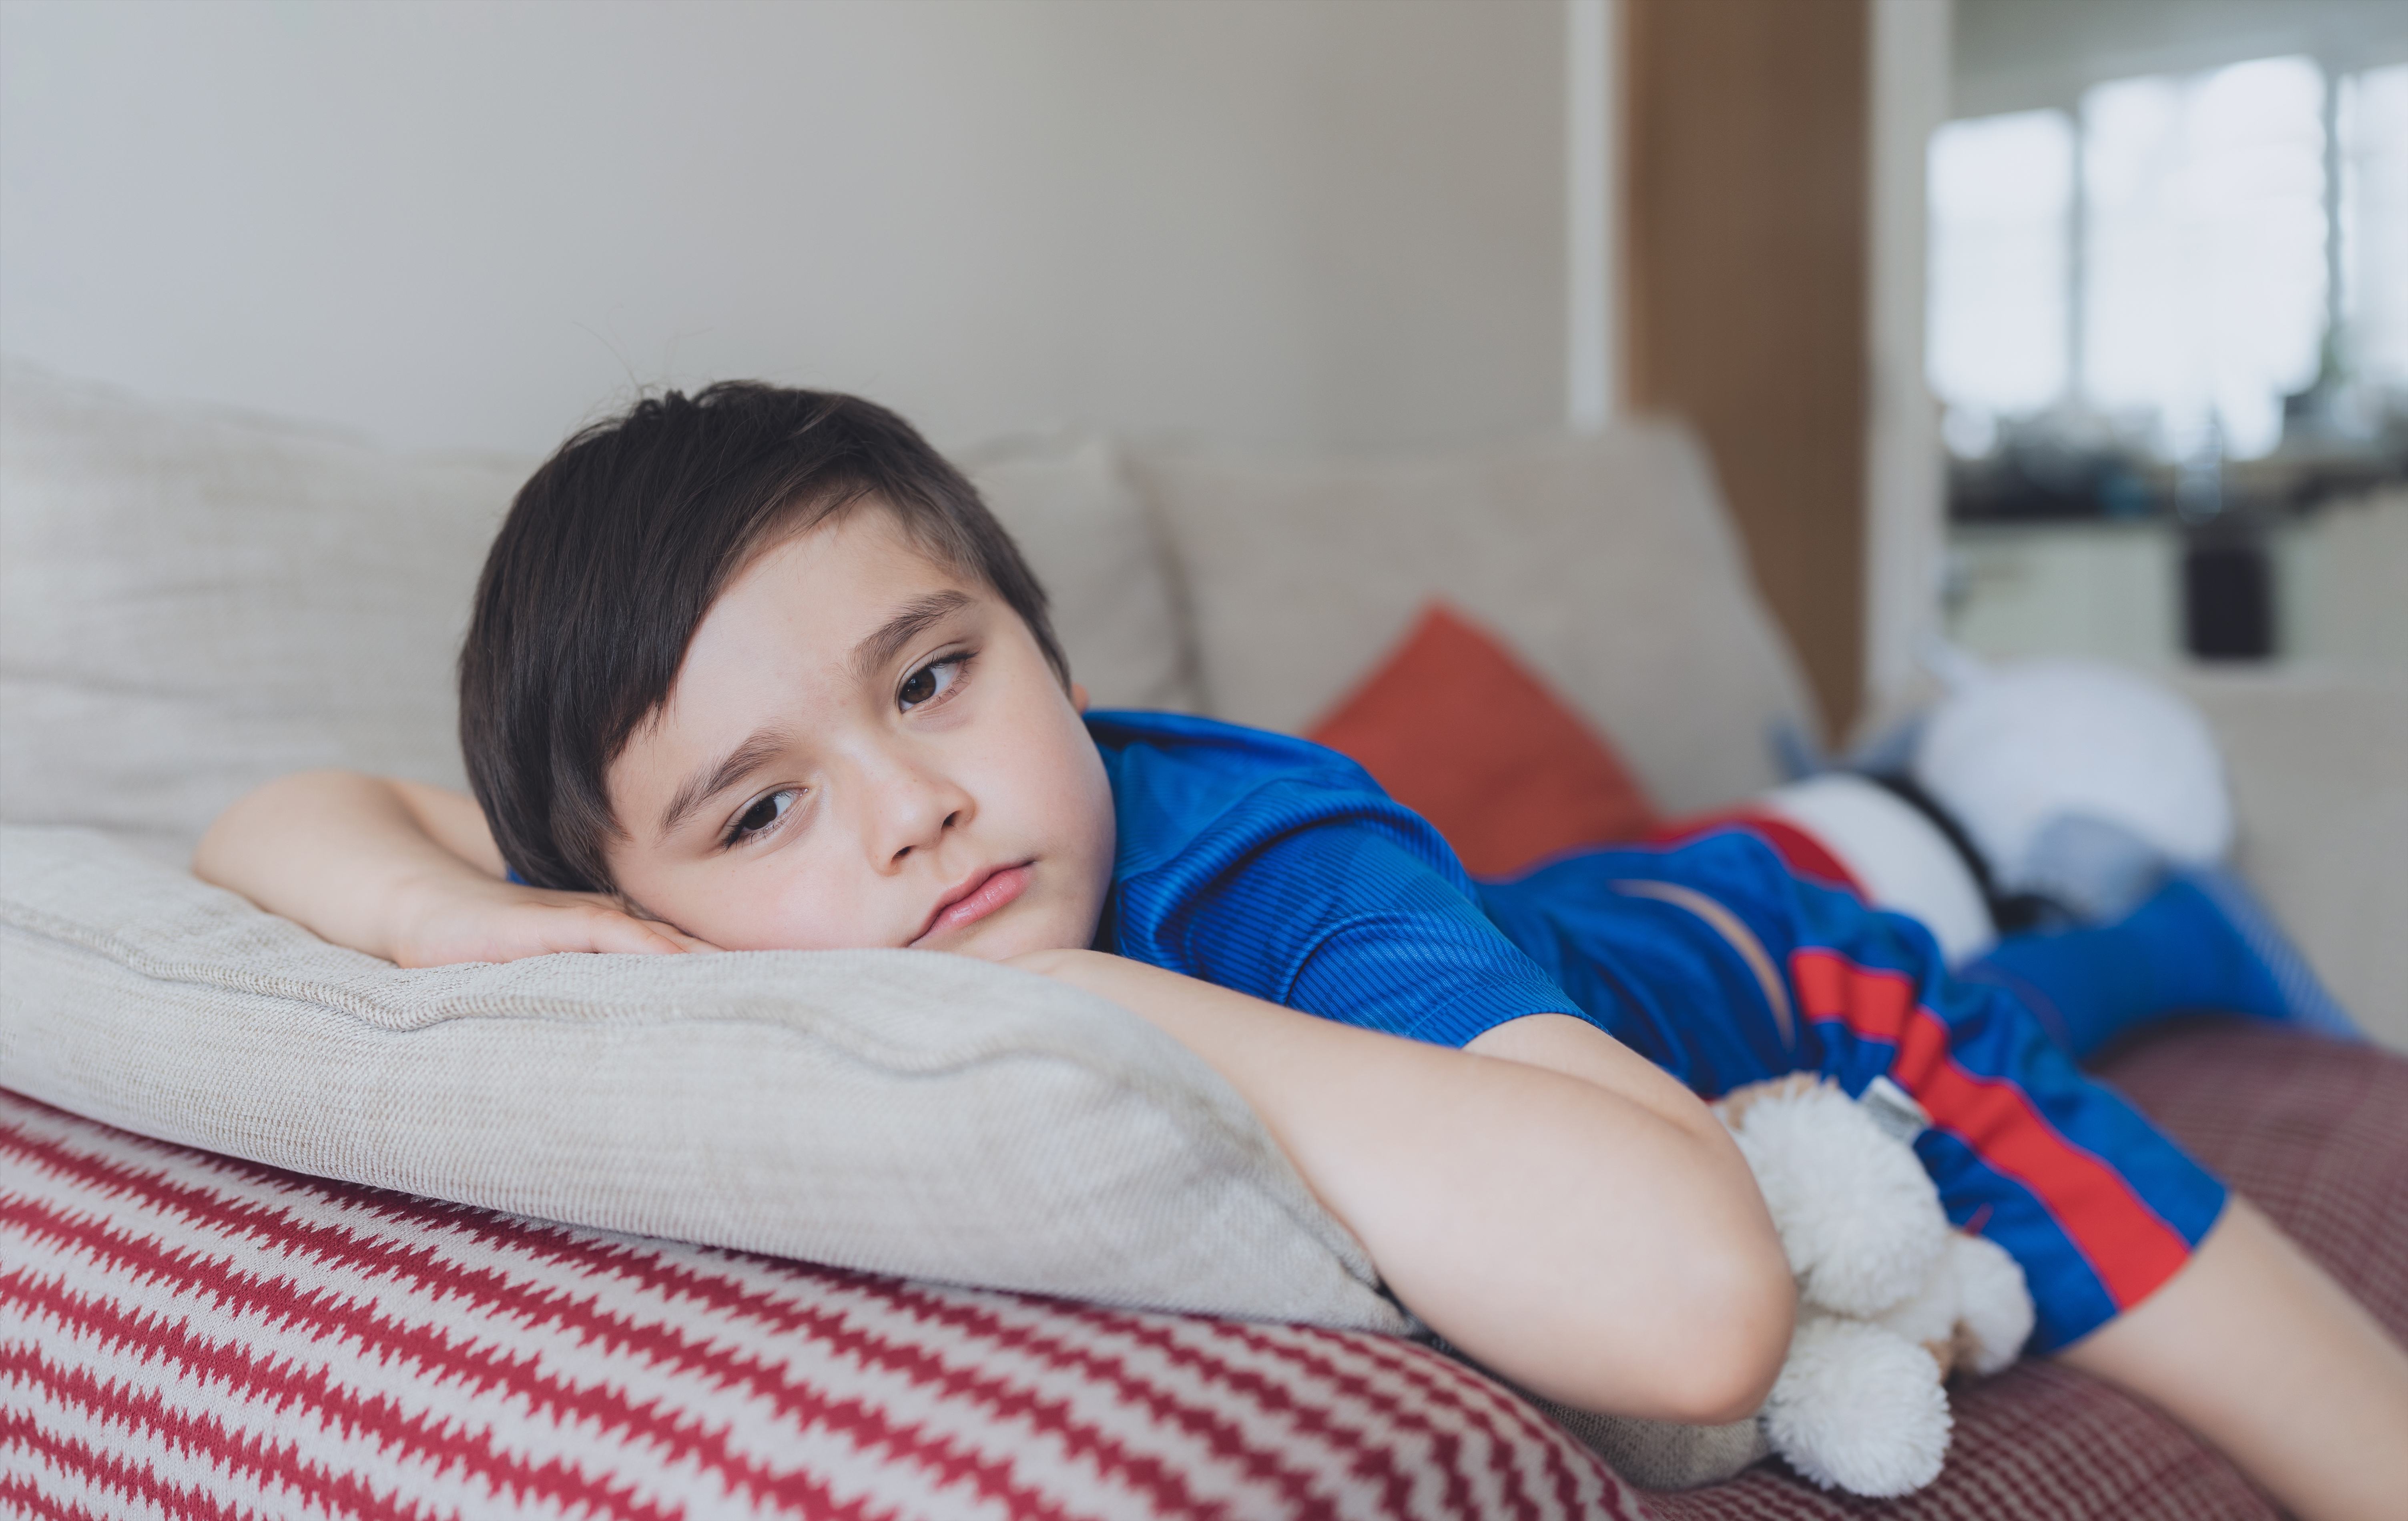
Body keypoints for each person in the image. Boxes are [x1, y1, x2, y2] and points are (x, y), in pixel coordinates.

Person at [197, 384, 2408, 1520]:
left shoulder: (1259, 873)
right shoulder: (687, 918)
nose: (907, 808)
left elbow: (1701, 1301)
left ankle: (2166, 929)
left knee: (2196, 1246)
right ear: (638, 893)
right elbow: (275, 815)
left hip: (1793, 985)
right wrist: (459, 924)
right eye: (761, 808)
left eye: (934, 678)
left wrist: (1074, 992)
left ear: (1049, 657)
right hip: (1583, 917)